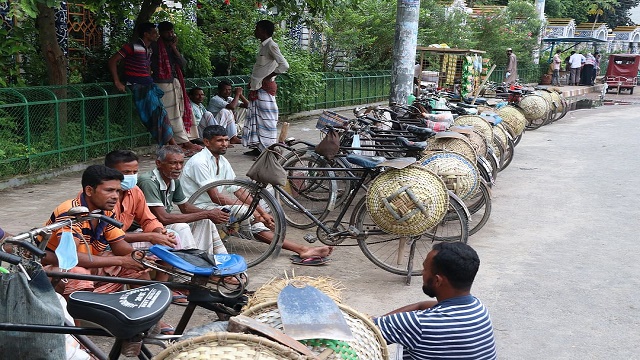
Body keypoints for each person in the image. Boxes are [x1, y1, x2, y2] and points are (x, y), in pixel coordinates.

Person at [181, 125, 333, 264]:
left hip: (213, 205)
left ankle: (301, 249)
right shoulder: (199, 162)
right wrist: (252, 211)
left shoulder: (222, 161)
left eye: (226, 140)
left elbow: (238, 190)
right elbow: (216, 197)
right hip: (197, 208)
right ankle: (301, 249)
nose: (225, 144)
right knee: (245, 213)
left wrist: (260, 211)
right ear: (206, 142)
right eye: (219, 141)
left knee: (257, 213)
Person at [40, 165, 150, 296]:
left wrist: (139, 258)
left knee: (138, 268)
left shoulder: (106, 211)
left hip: (89, 263)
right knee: (79, 275)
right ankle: (77, 316)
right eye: (109, 190)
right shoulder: (70, 212)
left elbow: (119, 245)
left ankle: (138, 314)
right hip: (53, 267)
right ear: (89, 191)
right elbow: (71, 257)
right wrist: (122, 260)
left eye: (117, 191)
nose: (115, 196)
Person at [374, 242, 496, 359]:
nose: (422, 273)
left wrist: (381, 321)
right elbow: (422, 305)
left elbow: (364, 330)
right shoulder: (479, 308)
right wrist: (418, 307)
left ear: (438, 281)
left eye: (425, 269)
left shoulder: (419, 324)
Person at [137, 145, 229, 255]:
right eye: (173, 163)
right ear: (158, 163)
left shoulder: (173, 180)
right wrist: (208, 214)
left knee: (205, 222)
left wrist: (214, 214)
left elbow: (185, 207)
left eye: (181, 163)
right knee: (182, 227)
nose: (178, 167)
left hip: (160, 225)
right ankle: (190, 263)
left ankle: (207, 258)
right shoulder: (148, 181)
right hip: (144, 228)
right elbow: (164, 218)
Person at [108, 22, 175, 146]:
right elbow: (113, 60)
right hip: (138, 85)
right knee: (157, 115)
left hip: (148, 85)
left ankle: (170, 144)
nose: (156, 35)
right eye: (154, 33)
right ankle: (171, 144)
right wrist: (117, 81)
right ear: (146, 34)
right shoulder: (132, 47)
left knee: (160, 113)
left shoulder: (148, 49)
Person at [150, 21, 202, 157]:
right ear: (160, 33)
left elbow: (182, 63)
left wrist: (173, 47)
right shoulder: (155, 46)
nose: (171, 34)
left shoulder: (170, 47)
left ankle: (185, 141)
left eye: (172, 31)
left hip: (175, 81)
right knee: (171, 115)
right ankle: (178, 143)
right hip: (161, 83)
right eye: (168, 32)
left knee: (181, 111)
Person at [242, 20, 289, 156]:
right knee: (256, 118)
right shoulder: (264, 46)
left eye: (257, 28)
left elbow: (284, 65)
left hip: (265, 88)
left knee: (267, 119)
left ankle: (269, 149)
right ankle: (259, 148)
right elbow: (262, 68)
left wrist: (269, 77)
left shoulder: (271, 46)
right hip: (257, 87)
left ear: (263, 30)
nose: (255, 31)